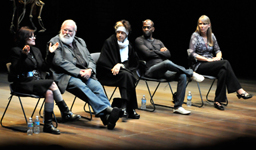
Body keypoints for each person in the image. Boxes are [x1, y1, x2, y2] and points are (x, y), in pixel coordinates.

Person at [46, 20, 122, 130]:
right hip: (65, 76)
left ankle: (106, 117)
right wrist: (79, 72)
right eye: (64, 30)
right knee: (81, 86)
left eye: (70, 31)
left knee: (97, 86)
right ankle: (108, 110)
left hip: (84, 73)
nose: (67, 32)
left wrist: (90, 70)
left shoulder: (80, 41)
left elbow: (90, 58)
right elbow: (59, 62)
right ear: (61, 30)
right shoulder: (54, 41)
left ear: (75, 32)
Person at [9, 27, 81, 135]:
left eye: (34, 35)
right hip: (22, 83)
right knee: (51, 83)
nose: (34, 38)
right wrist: (23, 56)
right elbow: (15, 70)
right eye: (31, 36)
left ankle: (48, 125)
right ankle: (65, 111)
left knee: (49, 92)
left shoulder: (36, 50)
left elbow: (44, 67)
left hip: (36, 81)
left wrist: (51, 54)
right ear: (24, 38)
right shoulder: (16, 51)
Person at [135, 19, 205, 115]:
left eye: (148, 27)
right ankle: (191, 72)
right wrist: (161, 52)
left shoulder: (158, 41)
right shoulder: (139, 40)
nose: (146, 29)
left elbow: (168, 54)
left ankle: (178, 107)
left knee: (182, 76)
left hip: (163, 72)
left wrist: (155, 52)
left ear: (153, 29)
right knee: (167, 63)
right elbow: (147, 54)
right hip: (150, 71)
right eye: (144, 27)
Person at [188, 15, 253, 110]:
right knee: (225, 63)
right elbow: (191, 53)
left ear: (209, 25)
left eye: (204, 24)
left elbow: (218, 50)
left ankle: (218, 101)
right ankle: (239, 91)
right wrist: (208, 60)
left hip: (211, 64)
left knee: (223, 71)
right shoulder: (195, 36)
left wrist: (218, 57)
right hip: (199, 65)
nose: (202, 26)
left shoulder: (212, 36)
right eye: (200, 24)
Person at [97, 20, 140, 121]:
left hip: (121, 73)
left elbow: (133, 63)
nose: (120, 35)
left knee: (127, 75)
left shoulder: (128, 45)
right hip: (108, 73)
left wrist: (120, 65)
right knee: (126, 76)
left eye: (122, 33)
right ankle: (128, 108)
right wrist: (115, 66)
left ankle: (125, 107)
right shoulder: (109, 42)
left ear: (127, 34)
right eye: (118, 32)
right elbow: (102, 62)